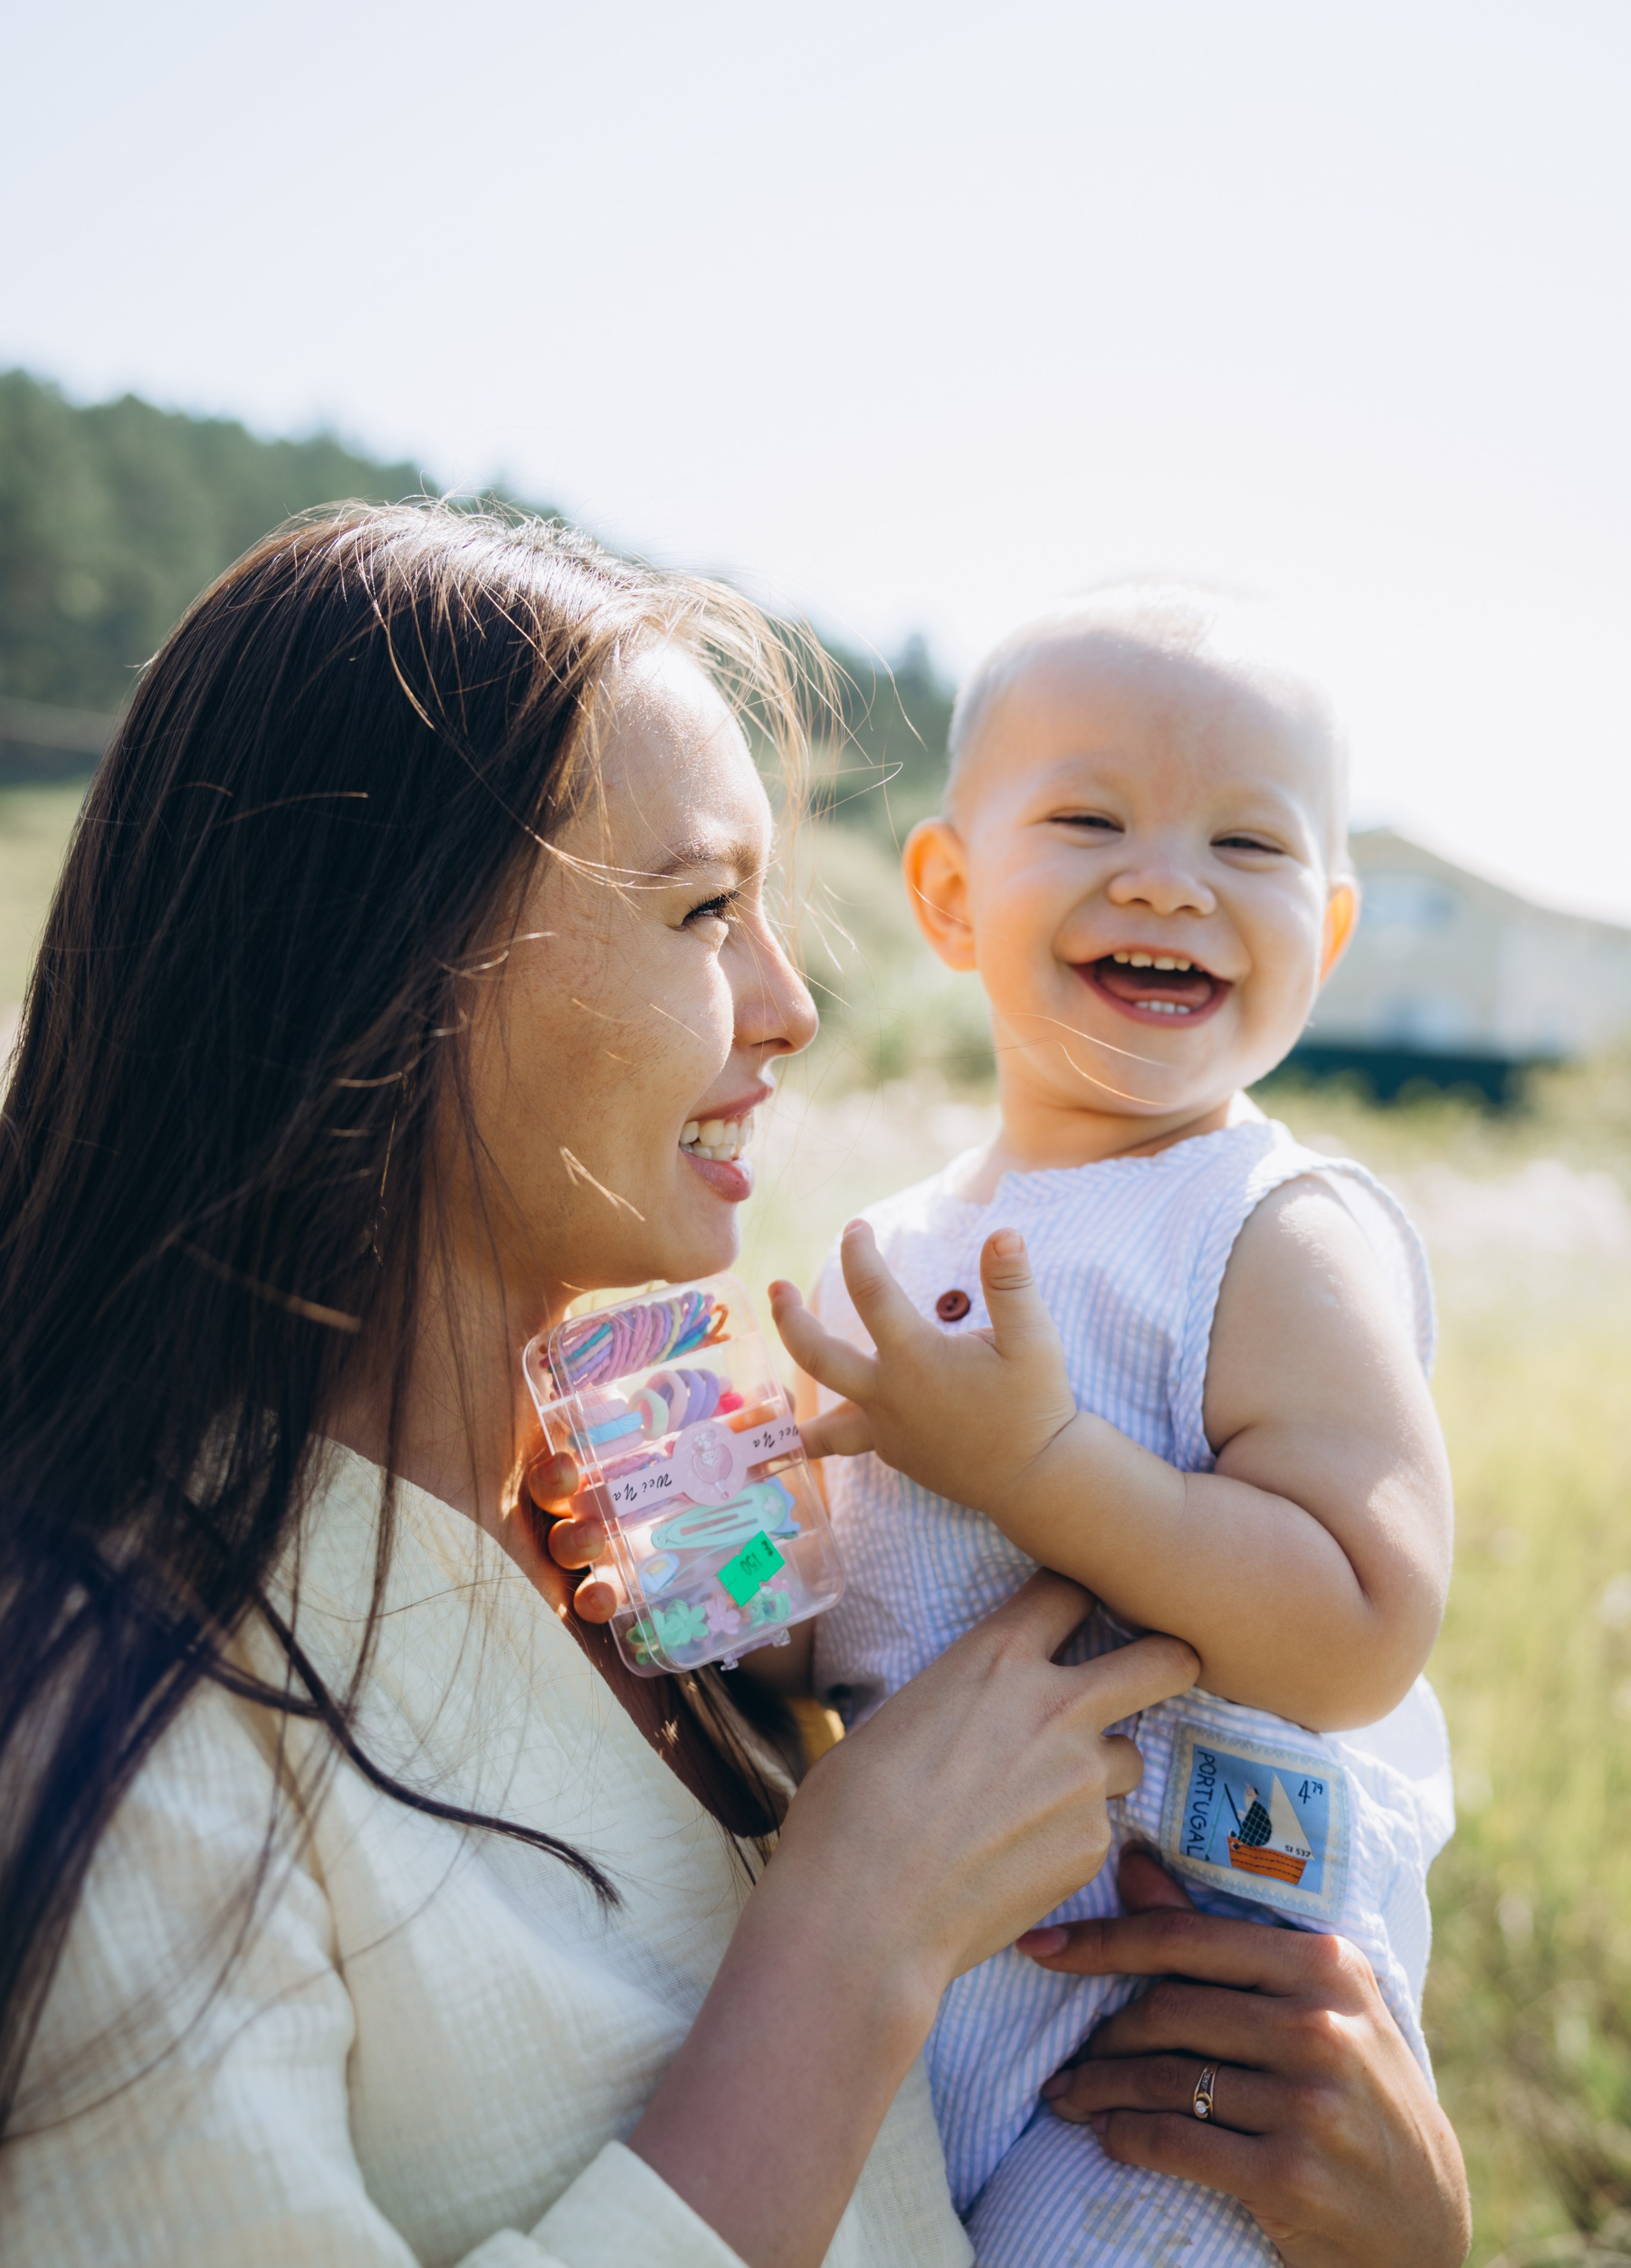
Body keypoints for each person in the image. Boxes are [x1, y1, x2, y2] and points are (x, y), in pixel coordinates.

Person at [0, 513, 1468, 2268]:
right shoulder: (101, 1718)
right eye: (707, 910)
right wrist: (848, 1941)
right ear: (389, 961)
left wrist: (1398, 2227)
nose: (791, 1005)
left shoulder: (630, 1526)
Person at [770, 583, 1458, 2264]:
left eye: (1252, 846)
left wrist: (1040, 1470)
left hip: (1200, 2020)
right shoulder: (914, 1242)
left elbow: (1363, 1623)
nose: (1169, 880)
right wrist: (747, 1564)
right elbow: (864, 1612)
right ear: (948, 893)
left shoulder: (1269, 1228)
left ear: (1332, 931)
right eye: (1090, 819)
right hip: (966, 1999)